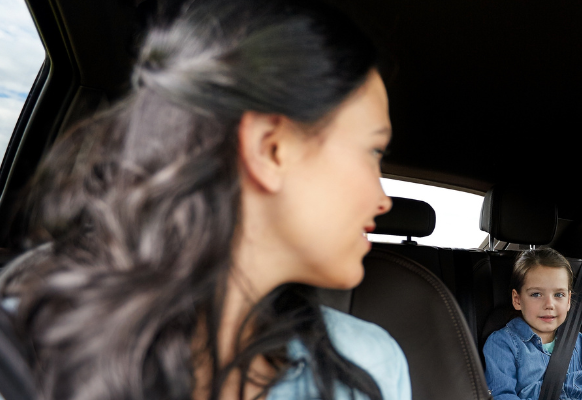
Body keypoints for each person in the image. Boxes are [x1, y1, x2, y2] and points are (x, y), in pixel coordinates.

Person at [0, 0, 411, 399]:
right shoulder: (22, 345)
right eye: (374, 152)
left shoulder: (368, 366)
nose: (383, 201)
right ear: (271, 149)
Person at [482, 248, 582, 400]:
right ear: (517, 300)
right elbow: (502, 394)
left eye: (559, 295)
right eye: (536, 294)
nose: (549, 304)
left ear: (569, 300)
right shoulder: (502, 344)